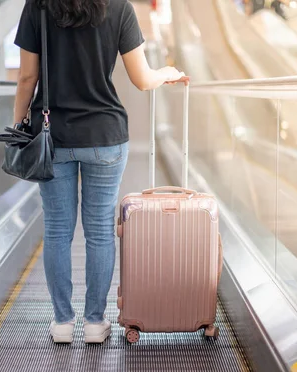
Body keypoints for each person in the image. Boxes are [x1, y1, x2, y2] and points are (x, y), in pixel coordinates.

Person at [13, 0, 187, 344]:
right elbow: (141, 79)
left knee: (58, 232)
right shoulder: (119, 7)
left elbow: (26, 77)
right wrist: (167, 73)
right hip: (104, 136)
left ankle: (62, 322)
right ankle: (95, 322)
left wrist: (19, 126)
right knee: (100, 232)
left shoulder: (39, 6)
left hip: (53, 137)